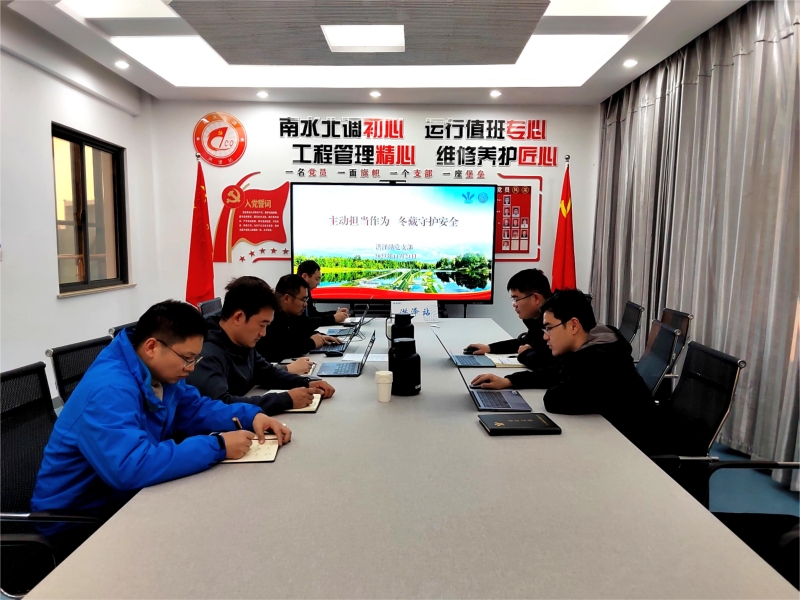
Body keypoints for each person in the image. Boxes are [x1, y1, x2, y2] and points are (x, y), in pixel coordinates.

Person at [31, 300, 292, 557]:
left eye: (195, 359)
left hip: (126, 501)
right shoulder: (110, 389)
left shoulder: (158, 372)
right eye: (187, 359)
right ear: (152, 347)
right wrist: (219, 446)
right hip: (77, 526)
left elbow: (196, 409)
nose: (191, 368)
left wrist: (251, 416)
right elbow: (130, 466)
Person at [470, 289, 658, 454]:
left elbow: (555, 399)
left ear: (574, 325)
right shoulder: (596, 343)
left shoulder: (599, 360)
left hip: (635, 450)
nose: (545, 337)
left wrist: (564, 368)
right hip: (612, 439)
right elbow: (554, 373)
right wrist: (509, 381)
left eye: (549, 328)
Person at [187, 276, 335, 414]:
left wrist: (306, 382)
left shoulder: (242, 341)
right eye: (262, 325)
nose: (263, 333)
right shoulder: (205, 353)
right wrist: (285, 400)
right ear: (238, 317)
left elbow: (267, 373)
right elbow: (221, 405)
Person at [465, 269, 555, 370]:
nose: (514, 304)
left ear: (536, 298)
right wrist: (489, 348)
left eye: (516, 299)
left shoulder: (557, 318)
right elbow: (525, 342)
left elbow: (552, 363)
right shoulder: (533, 318)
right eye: (513, 299)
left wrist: (526, 354)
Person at [256, 274, 341, 362]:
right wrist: (311, 343)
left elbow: (303, 330)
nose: (305, 304)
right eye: (303, 300)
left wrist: (320, 336)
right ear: (287, 298)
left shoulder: (292, 314)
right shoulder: (271, 318)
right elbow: (277, 351)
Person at [297, 259, 349, 327]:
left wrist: (335, 313)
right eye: (317, 279)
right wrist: (333, 318)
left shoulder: (307, 292)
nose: (319, 283)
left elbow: (314, 315)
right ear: (304, 276)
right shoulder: (295, 295)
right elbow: (304, 323)